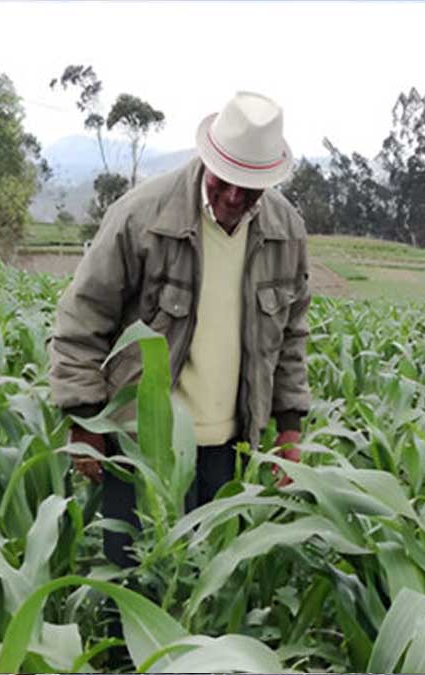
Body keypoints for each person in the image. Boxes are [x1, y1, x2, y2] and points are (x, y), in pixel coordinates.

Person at [48, 91, 313, 568]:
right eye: (226, 181)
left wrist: (289, 429)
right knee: (134, 588)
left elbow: (290, 336)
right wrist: (86, 420)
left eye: (249, 188)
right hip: (143, 445)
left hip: (228, 449)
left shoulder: (285, 231)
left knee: (203, 590)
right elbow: (82, 317)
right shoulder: (142, 216)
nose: (234, 197)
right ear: (206, 160)